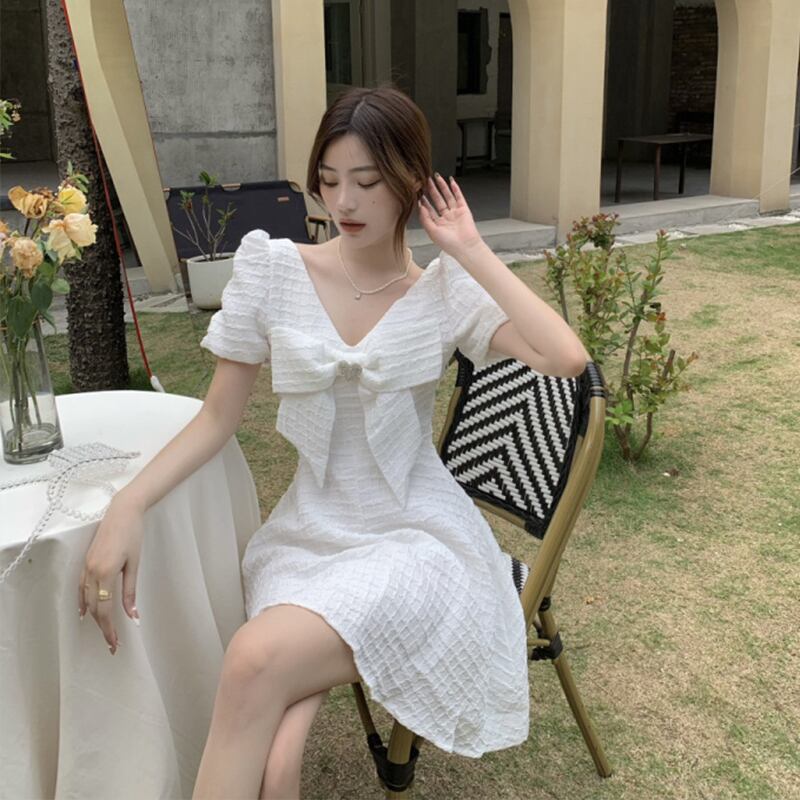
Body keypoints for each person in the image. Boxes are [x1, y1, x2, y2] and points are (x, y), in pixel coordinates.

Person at [78, 85, 589, 799]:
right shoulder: (276, 270)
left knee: (253, 659)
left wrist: (470, 249)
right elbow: (216, 419)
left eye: (367, 182)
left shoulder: (443, 291)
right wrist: (128, 505)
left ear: (410, 180)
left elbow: (566, 358)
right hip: (309, 536)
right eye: (328, 179)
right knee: (277, 755)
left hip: (415, 540)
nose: (343, 201)